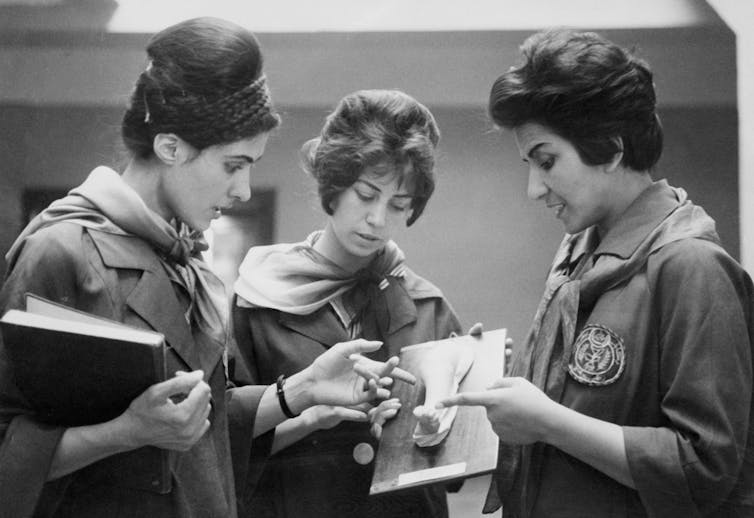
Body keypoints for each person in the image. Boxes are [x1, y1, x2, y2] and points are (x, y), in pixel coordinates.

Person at [0, 18, 412, 518]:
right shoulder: (60, 251)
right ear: (170, 147)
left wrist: (299, 391)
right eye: (233, 165)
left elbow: (204, 429)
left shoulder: (181, 261)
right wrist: (125, 433)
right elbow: (9, 447)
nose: (242, 190)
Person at [438, 29, 754, 517]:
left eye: (546, 161)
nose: (534, 189)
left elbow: (703, 468)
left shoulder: (692, 267)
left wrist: (547, 421)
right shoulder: (576, 257)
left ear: (609, 147)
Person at [231, 89, 463, 518]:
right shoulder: (257, 299)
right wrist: (308, 415)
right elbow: (217, 442)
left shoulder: (429, 307)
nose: (378, 220)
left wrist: (465, 395)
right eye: (366, 193)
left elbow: (455, 468)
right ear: (333, 183)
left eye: (399, 205)